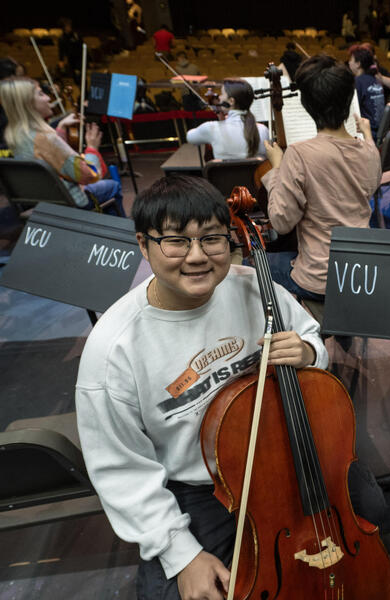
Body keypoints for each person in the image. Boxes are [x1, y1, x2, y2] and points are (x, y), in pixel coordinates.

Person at [75, 175, 333, 600]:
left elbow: (308, 335)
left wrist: (307, 351)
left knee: (370, 507)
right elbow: (121, 470)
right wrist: (182, 554)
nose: (197, 257)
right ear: (144, 245)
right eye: (176, 241)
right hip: (198, 488)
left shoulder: (254, 288)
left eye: (212, 239)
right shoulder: (113, 350)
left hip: (281, 449)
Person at [261, 54, 382, 301]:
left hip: (319, 279)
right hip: (360, 272)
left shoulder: (299, 154)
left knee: (248, 264)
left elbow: (282, 222)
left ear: (306, 105)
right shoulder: (370, 151)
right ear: (349, 100)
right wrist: (367, 135)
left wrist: (276, 167)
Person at [0, 76, 123, 214]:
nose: (48, 98)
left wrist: (61, 128)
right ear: (28, 103)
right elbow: (89, 175)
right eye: (41, 94)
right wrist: (92, 148)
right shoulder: (46, 138)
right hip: (71, 203)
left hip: (41, 204)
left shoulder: (14, 136)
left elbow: (47, 153)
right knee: (113, 186)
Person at [186, 78, 268, 160]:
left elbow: (190, 137)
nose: (219, 98)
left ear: (231, 101)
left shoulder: (211, 128)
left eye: (222, 94)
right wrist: (221, 117)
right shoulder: (263, 130)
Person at [347, 45, 385, 141]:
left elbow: (351, 110)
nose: (349, 62)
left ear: (358, 64)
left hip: (367, 133)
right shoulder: (375, 80)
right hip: (378, 131)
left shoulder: (358, 81)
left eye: (351, 60)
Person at [58, 18, 83, 84]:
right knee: (75, 78)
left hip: (79, 59)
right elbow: (61, 50)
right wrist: (61, 60)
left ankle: (84, 92)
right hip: (70, 60)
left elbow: (81, 47)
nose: (69, 27)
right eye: (67, 26)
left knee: (80, 76)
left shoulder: (76, 36)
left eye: (70, 26)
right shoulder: (62, 38)